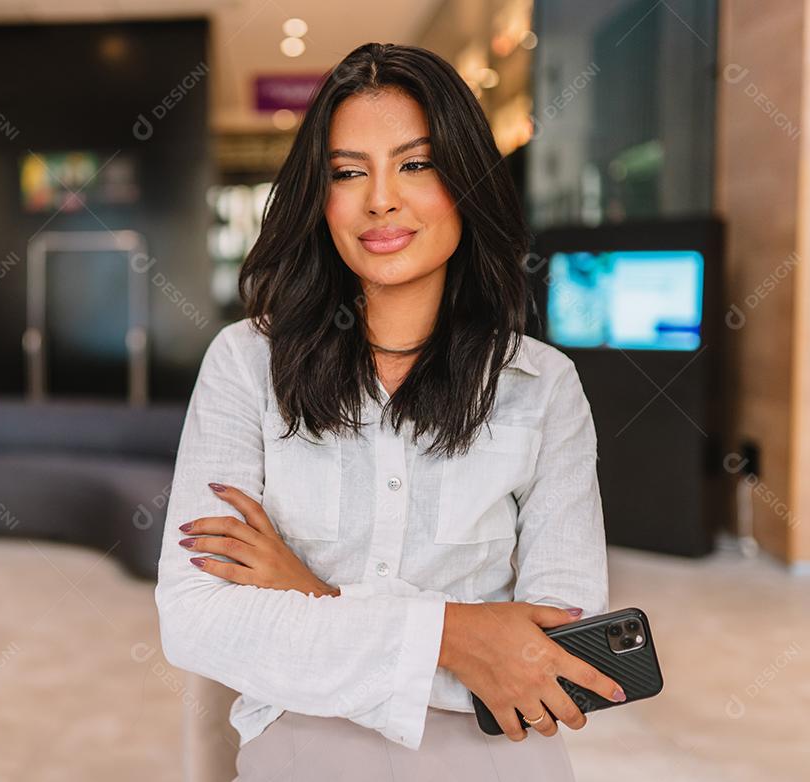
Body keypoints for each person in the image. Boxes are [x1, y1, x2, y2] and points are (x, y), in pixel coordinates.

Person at [154, 42, 622, 781]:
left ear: (465, 181)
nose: (381, 198)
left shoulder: (541, 385)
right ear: (321, 195)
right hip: (301, 749)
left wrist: (311, 596)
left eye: (416, 164)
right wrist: (457, 636)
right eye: (347, 172)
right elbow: (197, 622)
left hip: (497, 757)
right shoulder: (246, 365)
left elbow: (553, 664)